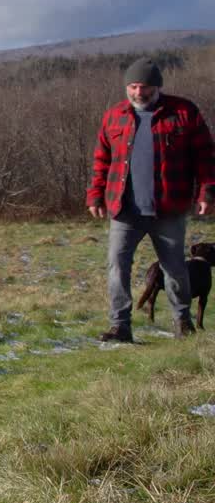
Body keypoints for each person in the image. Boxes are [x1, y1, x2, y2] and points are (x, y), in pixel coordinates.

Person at [87, 57, 215, 342]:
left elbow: (205, 156)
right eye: (132, 86)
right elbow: (101, 160)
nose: (137, 93)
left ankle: (182, 323)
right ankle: (120, 326)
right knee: (117, 266)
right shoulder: (114, 116)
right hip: (124, 209)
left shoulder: (184, 112)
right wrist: (95, 194)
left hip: (168, 209)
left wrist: (206, 192)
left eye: (144, 87)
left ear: (157, 86)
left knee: (175, 269)